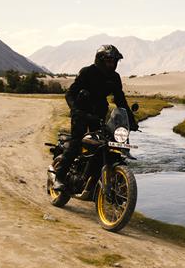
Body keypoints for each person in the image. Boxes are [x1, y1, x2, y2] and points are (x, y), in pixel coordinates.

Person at [53, 45, 138, 192]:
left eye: (114, 61)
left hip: (99, 114)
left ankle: (92, 181)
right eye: (109, 61)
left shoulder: (114, 77)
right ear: (100, 60)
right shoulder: (87, 72)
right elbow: (70, 94)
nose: (112, 64)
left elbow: (121, 101)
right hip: (81, 112)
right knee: (76, 142)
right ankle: (59, 178)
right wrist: (75, 110)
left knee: (102, 145)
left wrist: (131, 121)